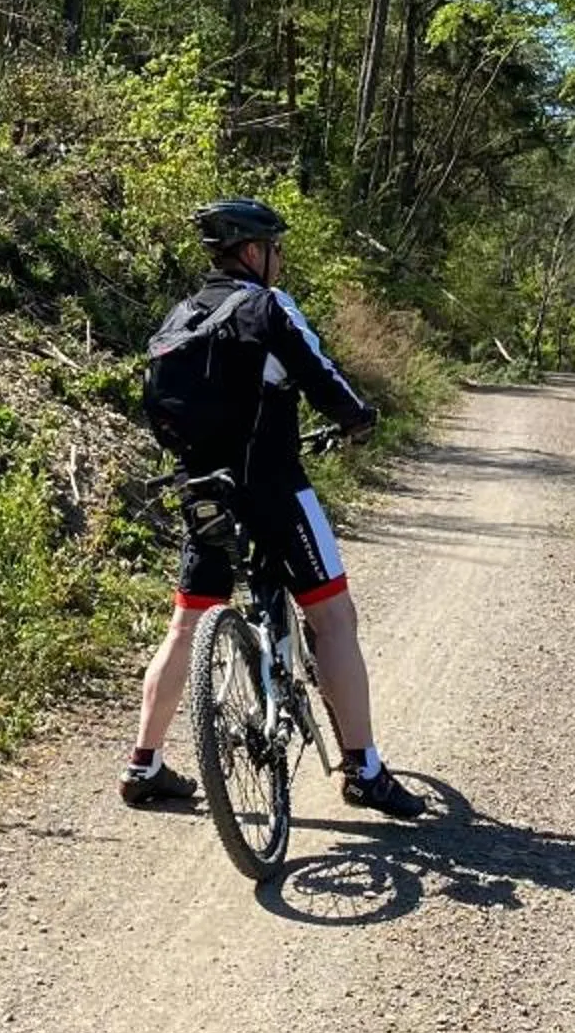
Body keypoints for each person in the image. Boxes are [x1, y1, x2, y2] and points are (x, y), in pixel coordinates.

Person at [122, 197, 428, 820]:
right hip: (273, 488)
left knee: (185, 625)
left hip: (202, 488)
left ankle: (143, 764)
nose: (279, 260)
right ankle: (364, 769)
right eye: (276, 249)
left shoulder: (180, 316)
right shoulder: (266, 305)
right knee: (335, 618)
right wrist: (358, 419)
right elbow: (323, 377)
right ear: (253, 252)